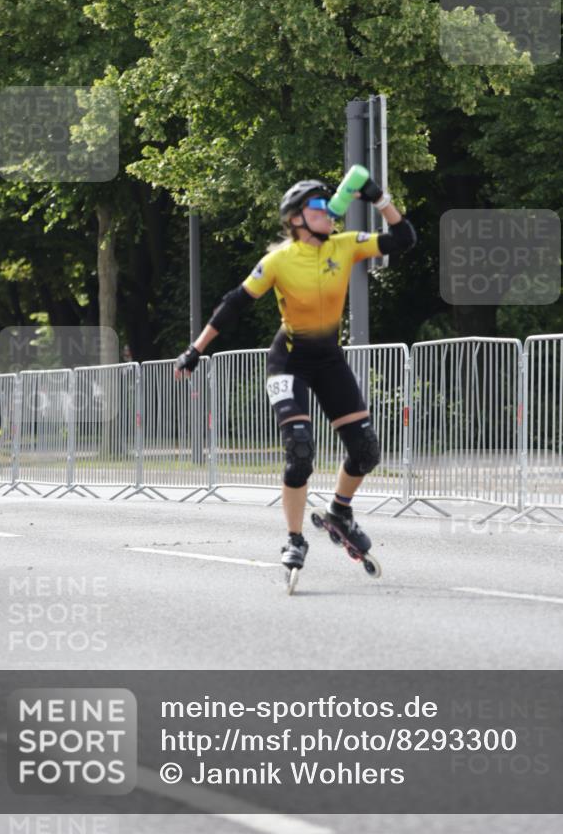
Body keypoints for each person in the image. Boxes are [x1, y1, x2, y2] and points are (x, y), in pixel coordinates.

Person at [174, 174, 416, 573]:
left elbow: (404, 239)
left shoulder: (345, 245)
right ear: (295, 218)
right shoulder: (279, 260)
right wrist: (195, 349)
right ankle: (294, 538)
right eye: (317, 206)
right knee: (300, 452)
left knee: (366, 450)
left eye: (329, 204)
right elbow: (233, 304)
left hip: (330, 361)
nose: (328, 211)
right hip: (289, 362)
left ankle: (340, 511)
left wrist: (379, 198)